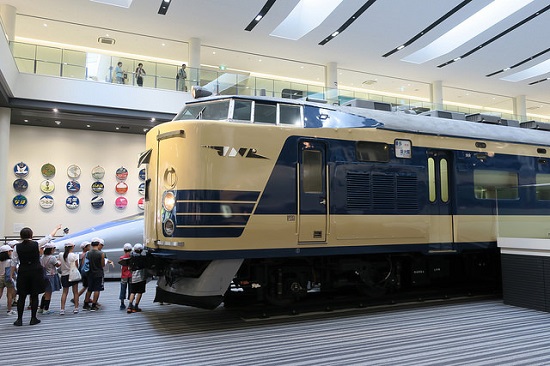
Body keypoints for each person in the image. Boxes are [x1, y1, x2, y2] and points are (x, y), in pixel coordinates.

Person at [11, 226, 60, 326]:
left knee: (22, 296)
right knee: (34, 295)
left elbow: (13, 262)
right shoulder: (36, 244)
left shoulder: (17, 247)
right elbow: (49, 237)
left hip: (23, 271)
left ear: (21, 236)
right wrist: (56, 228)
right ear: (31, 235)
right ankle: (33, 318)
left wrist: (12, 274)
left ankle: (19, 320)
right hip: (35, 271)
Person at [38, 243, 61, 315]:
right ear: (51, 249)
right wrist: (59, 261)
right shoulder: (52, 258)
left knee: (46, 293)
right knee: (49, 293)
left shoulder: (42, 257)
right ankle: (46, 309)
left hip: (44, 276)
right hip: (51, 276)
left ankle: (41, 308)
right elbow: (57, 264)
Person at [83, 238, 105, 311]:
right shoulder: (101, 254)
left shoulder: (88, 253)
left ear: (91, 245)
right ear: (98, 244)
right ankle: (94, 305)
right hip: (98, 273)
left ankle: (85, 304)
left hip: (90, 273)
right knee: (97, 289)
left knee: (90, 289)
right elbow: (103, 265)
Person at [59, 242, 80, 315]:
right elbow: (76, 265)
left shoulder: (61, 255)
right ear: (72, 247)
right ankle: (76, 308)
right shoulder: (74, 255)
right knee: (75, 292)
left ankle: (62, 309)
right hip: (72, 274)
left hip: (64, 275)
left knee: (65, 292)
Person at [127, 243, 147, 313]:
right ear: (141, 250)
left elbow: (129, 267)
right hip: (142, 277)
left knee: (132, 292)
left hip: (133, 277)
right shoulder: (143, 258)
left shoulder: (131, 257)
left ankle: (129, 306)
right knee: (140, 292)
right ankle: (136, 306)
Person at [0, 245, 16, 316]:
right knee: (9, 294)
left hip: (0, 278)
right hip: (8, 278)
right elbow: (14, 269)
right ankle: (9, 310)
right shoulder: (10, 261)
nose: (11, 252)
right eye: (10, 251)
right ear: (7, 252)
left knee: (0, 294)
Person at [118, 243, 133, 310]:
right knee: (131, 289)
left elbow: (121, 267)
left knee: (123, 288)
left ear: (124, 250)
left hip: (124, 275)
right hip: (131, 275)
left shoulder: (121, 258)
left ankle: (122, 303)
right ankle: (130, 302)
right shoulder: (132, 258)